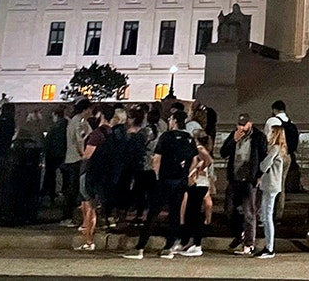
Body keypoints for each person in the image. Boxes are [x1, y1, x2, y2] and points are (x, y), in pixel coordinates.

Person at [123, 110, 197, 260]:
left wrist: (157, 175)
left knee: (153, 213)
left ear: (175, 121)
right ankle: (168, 248)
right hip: (180, 181)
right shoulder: (189, 138)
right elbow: (194, 159)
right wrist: (187, 175)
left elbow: (157, 158)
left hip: (164, 180)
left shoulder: (166, 137)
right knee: (175, 214)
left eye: (171, 119)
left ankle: (140, 247)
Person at [221, 113, 266, 255]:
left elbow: (263, 156)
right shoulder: (234, 135)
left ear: (250, 124)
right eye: (239, 124)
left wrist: (259, 175)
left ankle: (249, 243)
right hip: (234, 178)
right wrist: (233, 140)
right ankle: (239, 233)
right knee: (229, 210)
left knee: (249, 212)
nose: (241, 127)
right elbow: (223, 152)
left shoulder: (258, 137)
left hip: (249, 179)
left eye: (244, 124)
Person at [76, 106, 111, 251]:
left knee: (88, 205)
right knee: (92, 205)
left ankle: (88, 240)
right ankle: (88, 239)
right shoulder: (111, 133)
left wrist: (81, 148)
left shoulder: (97, 134)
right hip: (102, 171)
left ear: (101, 115)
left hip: (89, 170)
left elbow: (87, 155)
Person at [176, 138, 215, 257]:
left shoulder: (199, 149)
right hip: (196, 184)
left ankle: (197, 244)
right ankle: (190, 242)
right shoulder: (194, 151)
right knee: (191, 214)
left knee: (195, 214)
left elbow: (209, 160)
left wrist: (200, 168)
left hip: (199, 184)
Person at [255, 124, 288, 259]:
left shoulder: (274, 149)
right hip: (273, 184)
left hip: (270, 185)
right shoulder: (281, 149)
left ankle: (269, 247)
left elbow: (264, 165)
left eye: (271, 132)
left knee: (267, 216)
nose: (268, 134)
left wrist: (259, 164)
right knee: (266, 214)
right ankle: (268, 246)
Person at [62, 99, 92, 225]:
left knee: (74, 188)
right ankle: (68, 216)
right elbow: (80, 140)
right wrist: (84, 154)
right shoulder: (78, 122)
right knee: (74, 189)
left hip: (73, 158)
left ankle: (69, 216)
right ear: (84, 109)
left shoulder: (78, 121)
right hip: (76, 159)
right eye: (89, 109)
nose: (91, 112)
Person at [41, 107, 67, 205]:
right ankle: (56, 193)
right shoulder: (66, 126)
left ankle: (48, 193)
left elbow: (48, 142)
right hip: (62, 153)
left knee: (50, 174)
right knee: (63, 175)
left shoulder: (54, 128)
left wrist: (44, 152)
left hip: (52, 154)